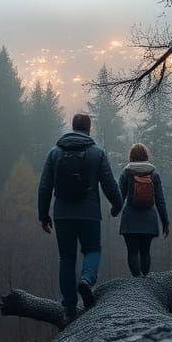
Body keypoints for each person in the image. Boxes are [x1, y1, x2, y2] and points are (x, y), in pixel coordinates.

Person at [38, 113, 123, 323]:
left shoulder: (55, 153)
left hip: (62, 215)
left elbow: (45, 186)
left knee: (66, 258)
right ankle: (86, 279)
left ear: (73, 127)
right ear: (89, 129)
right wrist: (117, 205)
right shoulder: (97, 153)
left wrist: (43, 214)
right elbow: (109, 183)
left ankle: (69, 308)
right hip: (89, 213)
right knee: (92, 250)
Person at [118, 143, 169, 277]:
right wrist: (165, 222)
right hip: (149, 218)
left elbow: (120, 197)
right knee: (145, 252)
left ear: (131, 156)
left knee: (132, 252)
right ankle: (145, 280)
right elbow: (160, 200)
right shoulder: (154, 174)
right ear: (146, 155)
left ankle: (137, 280)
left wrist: (114, 210)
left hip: (130, 218)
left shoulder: (126, 173)